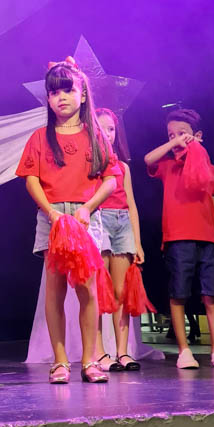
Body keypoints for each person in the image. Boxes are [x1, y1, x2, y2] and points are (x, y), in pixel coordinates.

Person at [16, 58, 118, 384]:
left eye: (68, 90)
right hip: (53, 218)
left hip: (85, 218)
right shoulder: (39, 137)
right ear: (47, 98)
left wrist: (87, 208)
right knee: (55, 290)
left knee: (87, 289)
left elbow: (111, 179)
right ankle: (59, 361)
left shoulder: (96, 135)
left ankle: (90, 359)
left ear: (83, 94)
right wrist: (50, 212)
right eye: (54, 92)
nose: (61, 97)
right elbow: (31, 179)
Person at [144, 108, 214, 369]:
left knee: (211, 294)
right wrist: (174, 142)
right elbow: (148, 159)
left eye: (182, 133)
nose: (176, 138)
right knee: (179, 293)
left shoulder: (210, 169)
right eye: (170, 134)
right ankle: (184, 351)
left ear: (198, 136)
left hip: (207, 239)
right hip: (177, 238)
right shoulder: (167, 166)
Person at [93, 107, 143, 372]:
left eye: (111, 129)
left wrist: (138, 242)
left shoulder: (123, 167)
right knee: (98, 291)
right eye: (101, 128)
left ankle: (122, 352)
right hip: (100, 221)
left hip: (122, 224)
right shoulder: (90, 164)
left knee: (120, 292)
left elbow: (132, 204)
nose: (107, 133)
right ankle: (99, 352)